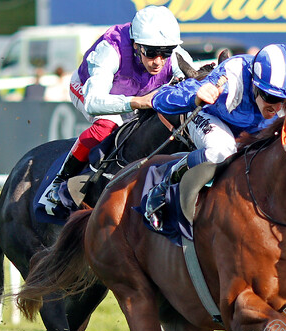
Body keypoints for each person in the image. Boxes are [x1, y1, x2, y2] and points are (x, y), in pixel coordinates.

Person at [39, 5, 194, 214]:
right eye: (151, 53)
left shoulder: (174, 55)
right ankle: (58, 184)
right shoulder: (110, 50)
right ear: (137, 45)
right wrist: (137, 102)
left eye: (165, 53)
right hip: (87, 89)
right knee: (107, 125)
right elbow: (93, 102)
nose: (158, 61)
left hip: (136, 94)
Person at [143, 43, 286, 229]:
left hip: (250, 132)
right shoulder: (230, 77)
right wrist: (195, 96)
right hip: (211, 116)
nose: (276, 108)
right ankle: (162, 187)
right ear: (254, 84)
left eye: (284, 102)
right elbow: (161, 98)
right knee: (222, 151)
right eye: (270, 97)